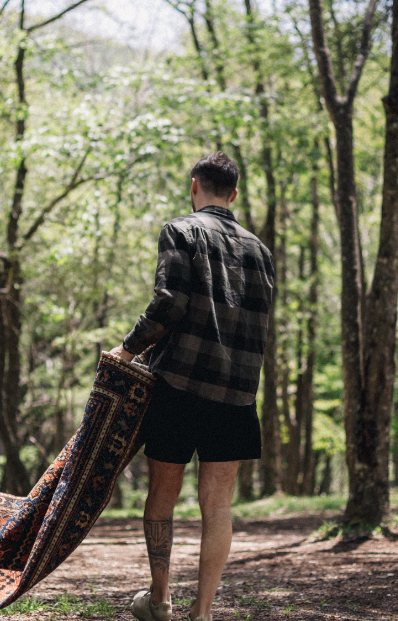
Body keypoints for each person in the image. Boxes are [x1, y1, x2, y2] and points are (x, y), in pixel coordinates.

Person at [111, 152, 275, 621]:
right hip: (237, 395)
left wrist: (127, 350)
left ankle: (160, 600)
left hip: (179, 385)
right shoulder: (261, 251)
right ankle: (202, 613)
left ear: (194, 186)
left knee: (163, 491)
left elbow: (168, 302)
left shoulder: (181, 231)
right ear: (235, 195)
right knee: (218, 504)